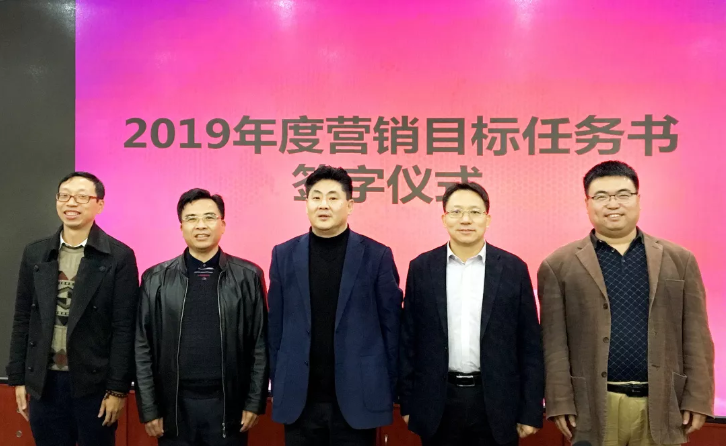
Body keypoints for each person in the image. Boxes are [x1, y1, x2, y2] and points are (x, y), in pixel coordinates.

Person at [538, 160, 715, 445]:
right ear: (587, 204)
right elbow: (554, 342)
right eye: (601, 196)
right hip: (593, 405)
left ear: (638, 199)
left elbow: (696, 334)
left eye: (623, 194)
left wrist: (698, 396)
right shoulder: (558, 265)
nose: (613, 204)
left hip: (662, 402)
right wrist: (559, 400)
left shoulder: (679, 259)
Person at [399, 182, 544, 446]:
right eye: (456, 212)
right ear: (444, 218)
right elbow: (408, 340)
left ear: (487, 219)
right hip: (437, 403)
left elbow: (530, 344)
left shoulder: (513, 269)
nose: (465, 220)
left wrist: (530, 408)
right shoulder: (421, 268)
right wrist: (407, 403)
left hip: (497, 404)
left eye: (475, 212)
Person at [268, 165, 403, 445]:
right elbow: (275, 328)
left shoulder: (377, 256)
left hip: (358, 399)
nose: (323, 205)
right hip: (299, 400)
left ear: (349, 205)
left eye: (333, 197)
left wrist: (387, 387)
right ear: (306, 203)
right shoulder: (283, 255)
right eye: (316, 197)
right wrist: (277, 382)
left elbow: (392, 328)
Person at [6, 172, 139, 445]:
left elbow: (124, 328)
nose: (71, 203)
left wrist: (117, 390)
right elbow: (23, 319)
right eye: (64, 196)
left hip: (94, 385)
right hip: (45, 383)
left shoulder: (118, 257)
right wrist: (18, 378)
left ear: (99, 204)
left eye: (81, 197)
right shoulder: (36, 253)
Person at [135, 188, 268, 445]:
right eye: (192, 218)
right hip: (174, 404)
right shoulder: (155, 279)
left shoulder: (248, 276)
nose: (201, 225)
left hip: (228, 403)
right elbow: (142, 347)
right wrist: (150, 408)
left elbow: (260, 344)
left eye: (209, 217)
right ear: (181, 227)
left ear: (222, 225)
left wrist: (254, 402)